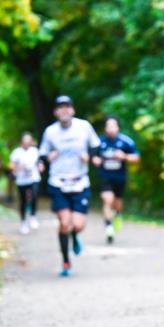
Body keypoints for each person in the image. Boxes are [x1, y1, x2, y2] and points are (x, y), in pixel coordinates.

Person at [39, 95, 101, 277]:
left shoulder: (84, 127)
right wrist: (46, 160)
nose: (64, 110)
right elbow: (42, 155)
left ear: (72, 110)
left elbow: (96, 147)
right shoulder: (50, 132)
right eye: (60, 107)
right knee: (65, 223)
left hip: (80, 181)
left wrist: (91, 158)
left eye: (67, 106)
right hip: (58, 182)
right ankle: (66, 261)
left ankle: (75, 236)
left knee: (78, 225)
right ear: (56, 112)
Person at [92, 115, 140, 244]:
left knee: (117, 203)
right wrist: (95, 160)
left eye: (114, 125)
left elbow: (136, 157)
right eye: (108, 126)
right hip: (104, 176)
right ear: (105, 128)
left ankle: (118, 214)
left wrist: (124, 156)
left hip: (120, 177)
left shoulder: (126, 141)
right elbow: (92, 156)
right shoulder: (99, 142)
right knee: (108, 200)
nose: (111, 128)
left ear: (118, 127)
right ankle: (109, 227)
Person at [9, 132, 44, 235]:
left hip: (34, 178)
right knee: (23, 200)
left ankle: (33, 216)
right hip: (21, 180)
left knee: (34, 196)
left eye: (29, 141)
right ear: (22, 142)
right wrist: (18, 168)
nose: (27, 143)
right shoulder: (17, 152)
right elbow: (11, 165)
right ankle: (23, 222)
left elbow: (39, 162)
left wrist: (41, 166)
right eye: (25, 141)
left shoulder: (35, 151)